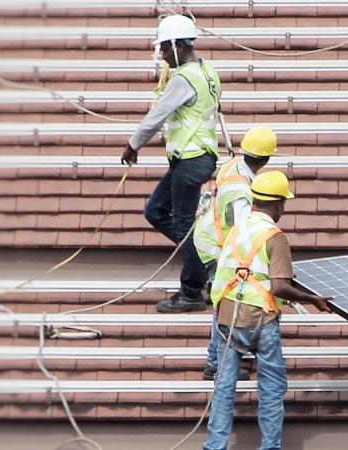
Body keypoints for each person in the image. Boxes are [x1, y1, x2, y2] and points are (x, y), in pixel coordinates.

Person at [205, 171, 333, 450]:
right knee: (272, 389)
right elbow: (279, 287)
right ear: (278, 204)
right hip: (261, 320)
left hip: (227, 318)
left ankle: (215, 446)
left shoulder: (236, 231)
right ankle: (271, 447)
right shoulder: (275, 236)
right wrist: (313, 300)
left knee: (224, 388)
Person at [160, 126, 278, 383]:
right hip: (217, 246)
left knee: (224, 301)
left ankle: (222, 357)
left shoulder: (233, 166)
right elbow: (243, 233)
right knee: (224, 302)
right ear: (267, 158)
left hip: (209, 237)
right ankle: (216, 363)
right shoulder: (241, 195)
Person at [123, 14, 223, 311]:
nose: (163, 56)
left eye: (165, 49)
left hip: (191, 160)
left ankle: (192, 292)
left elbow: (155, 117)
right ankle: (204, 261)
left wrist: (132, 146)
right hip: (195, 158)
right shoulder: (207, 70)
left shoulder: (183, 78)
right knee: (156, 211)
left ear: (180, 45)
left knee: (183, 227)